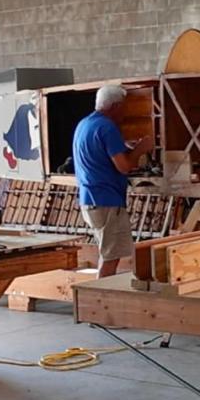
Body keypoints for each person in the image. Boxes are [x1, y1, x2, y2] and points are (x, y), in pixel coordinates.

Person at [73, 84, 153, 277]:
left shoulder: (85, 124)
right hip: (106, 201)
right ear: (115, 106)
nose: (125, 111)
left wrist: (123, 146)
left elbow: (99, 152)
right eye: (123, 106)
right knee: (111, 256)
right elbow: (124, 166)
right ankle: (100, 300)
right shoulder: (108, 127)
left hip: (90, 198)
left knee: (107, 252)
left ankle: (100, 295)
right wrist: (141, 149)